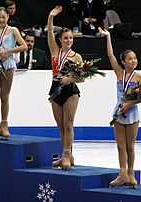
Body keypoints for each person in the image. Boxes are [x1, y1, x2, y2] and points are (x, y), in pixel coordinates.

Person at [98, 27, 141, 188]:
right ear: (123, 62)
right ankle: (122, 174)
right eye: (130, 59)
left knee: (130, 146)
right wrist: (108, 37)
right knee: (120, 146)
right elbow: (110, 55)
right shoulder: (119, 73)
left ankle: (131, 173)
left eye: (135, 58)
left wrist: (130, 104)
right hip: (119, 113)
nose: (133, 61)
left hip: (132, 114)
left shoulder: (140, 77)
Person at [47, 6, 84, 170]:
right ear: (60, 39)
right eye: (66, 38)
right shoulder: (55, 52)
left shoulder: (77, 57)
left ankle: (67, 154)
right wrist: (50, 18)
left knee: (68, 124)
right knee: (60, 125)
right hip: (55, 89)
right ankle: (65, 153)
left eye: (71, 38)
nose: (69, 40)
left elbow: (82, 77)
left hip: (70, 91)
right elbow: (49, 34)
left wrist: (70, 79)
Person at [0, 7, 27, 140]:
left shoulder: (13, 30)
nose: (1, 20)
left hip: (7, 65)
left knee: (5, 96)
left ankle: (4, 125)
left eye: (3, 17)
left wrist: (8, 52)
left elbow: (24, 46)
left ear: (8, 17)